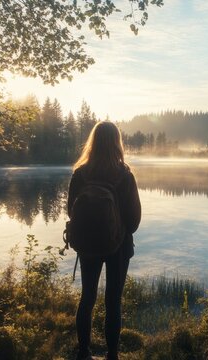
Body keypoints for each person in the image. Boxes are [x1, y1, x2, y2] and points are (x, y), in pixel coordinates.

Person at [67, 121, 141, 360]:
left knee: (87, 297)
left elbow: (71, 211)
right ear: (117, 143)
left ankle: (83, 352)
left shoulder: (81, 173)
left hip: (88, 244)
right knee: (113, 301)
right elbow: (134, 220)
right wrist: (117, 230)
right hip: (119, 247)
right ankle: (112, 355)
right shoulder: (124, 174)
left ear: (93, 142)